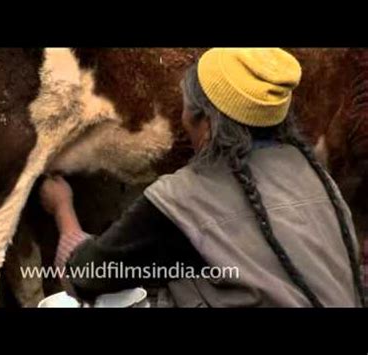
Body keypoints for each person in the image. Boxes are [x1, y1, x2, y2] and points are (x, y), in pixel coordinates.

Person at [40, 48, 364, 307]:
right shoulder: (315, 175)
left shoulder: (182, 197)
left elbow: (85, 275)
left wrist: (63, 210)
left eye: (185, 108)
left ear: (204, 122)